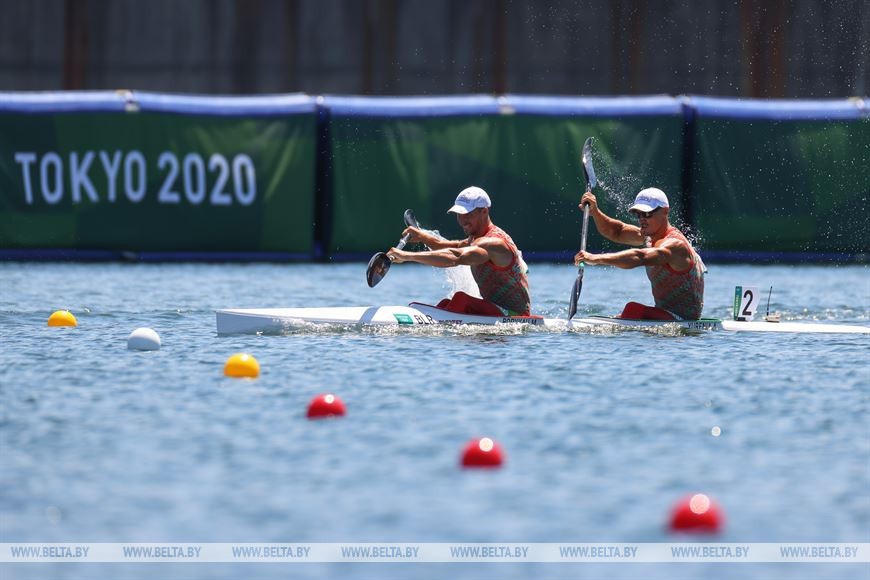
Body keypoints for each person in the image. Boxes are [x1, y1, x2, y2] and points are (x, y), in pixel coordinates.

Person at [387, 186, 531, 316]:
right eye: (459, 214)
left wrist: (407, 256)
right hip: (495, 310)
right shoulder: (476, 239)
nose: (462, 220)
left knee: (461, 299)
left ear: (484, 211)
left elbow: (455, 257)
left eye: (467, 214)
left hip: (514, 315)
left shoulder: (493, 243)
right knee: (446, 303)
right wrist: (423, 237)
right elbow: (451, 246)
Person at [574, 187, 705, 320]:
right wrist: (595, 212)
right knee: (631, 311)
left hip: (683, 319)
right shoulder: (649, 236)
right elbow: (617, 231)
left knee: (632, 309)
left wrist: (595, 258)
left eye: (647, 214)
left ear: (665, 211)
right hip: (663, 315)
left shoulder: (676, 245)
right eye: (638, 214)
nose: (642, 219)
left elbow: (641, 257)